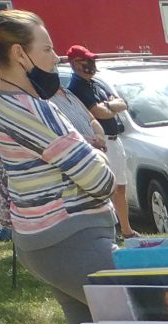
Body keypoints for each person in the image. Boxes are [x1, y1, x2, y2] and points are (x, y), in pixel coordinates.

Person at [0, 10, 116, 324]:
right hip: (72, 240)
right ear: (20, 54)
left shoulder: (4, 102)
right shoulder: (34, 109)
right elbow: (101, 181)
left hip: (51, 242)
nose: (56, 57)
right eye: (47, 49)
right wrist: (98, 155)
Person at [63, 47, 131, 239]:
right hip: (100, 142)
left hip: (115, 139)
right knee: (105, 187)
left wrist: (110, 106)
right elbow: (99, 113)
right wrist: (110, 106)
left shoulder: (97, 83)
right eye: (87, 62)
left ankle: (126, 229)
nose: (92, 65)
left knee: (120, 186)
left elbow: (123, 103)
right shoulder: (76, 88)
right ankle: (111, 231)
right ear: (76, 63)